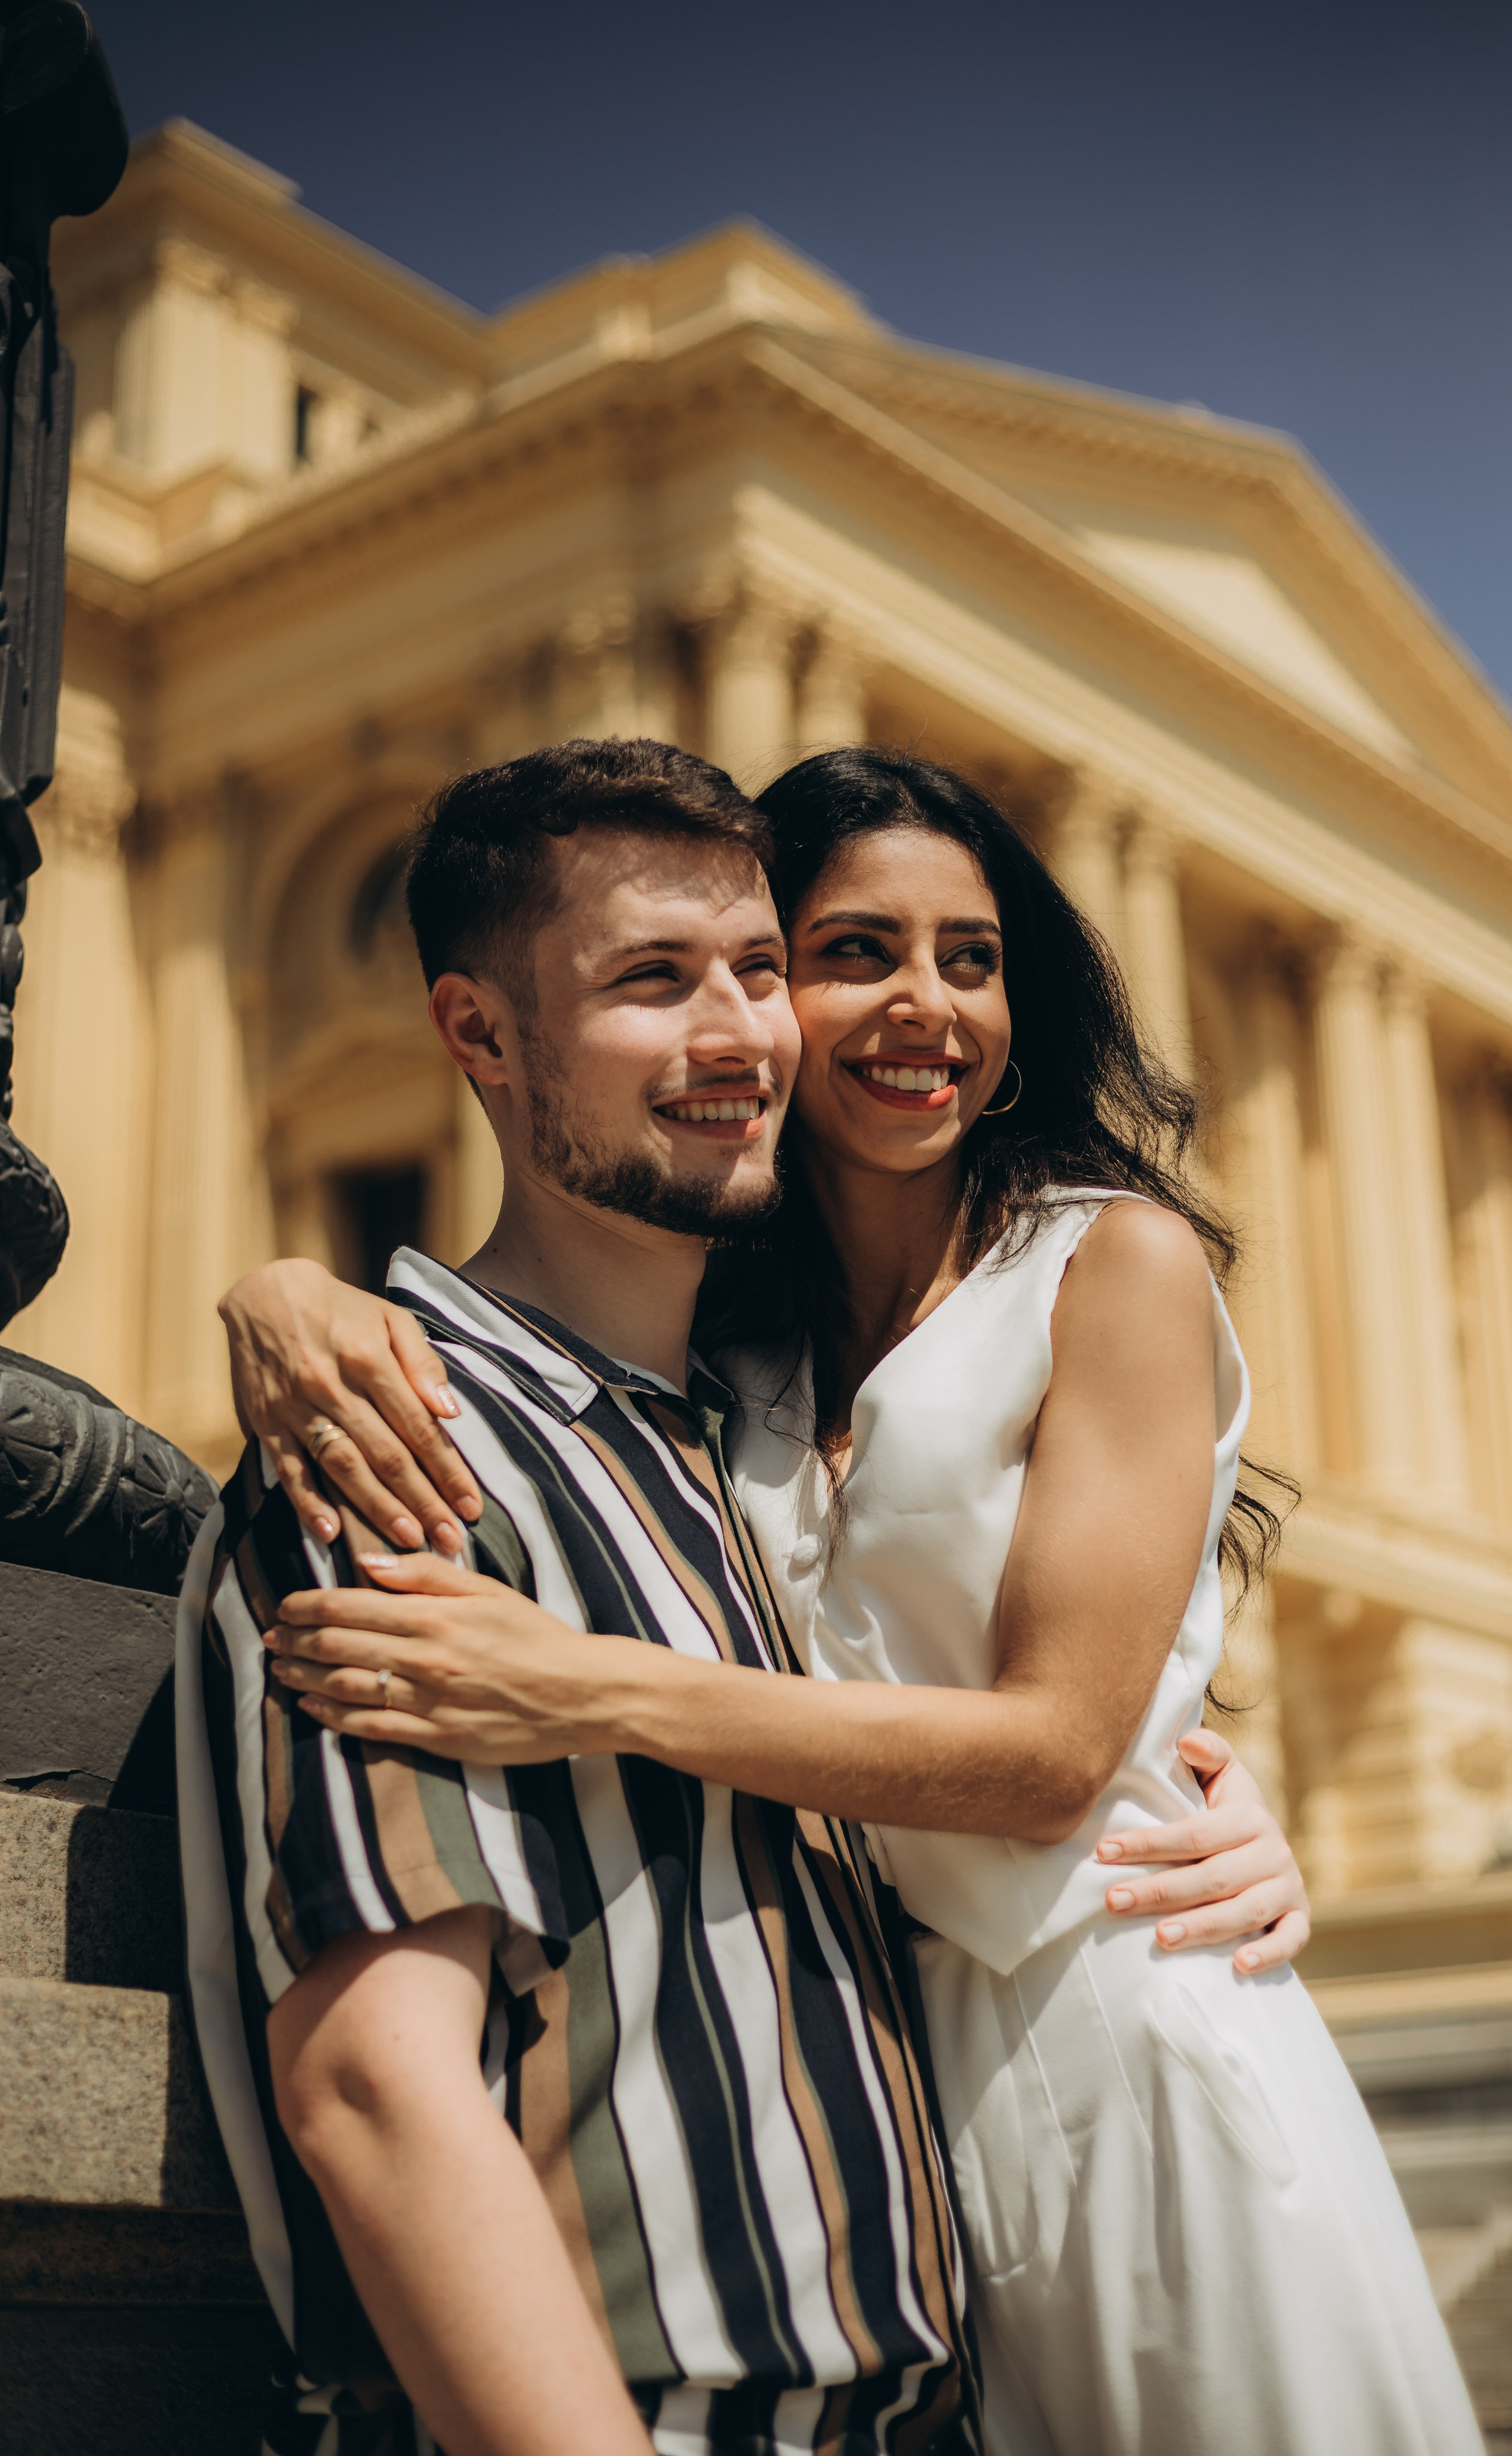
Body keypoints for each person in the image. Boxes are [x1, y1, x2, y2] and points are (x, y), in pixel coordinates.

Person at [213, 743, 1475, 2456]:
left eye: (973, 957)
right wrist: (288, 1291)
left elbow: (1054, 1753)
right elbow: (373, 2079)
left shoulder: (1107, 1262)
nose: (923, 1009)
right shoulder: (708, 1372)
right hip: (913, 2154)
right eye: (851, 953)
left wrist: (585, 1684)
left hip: (1117, 2060)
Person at [178, 741, 987, 2456]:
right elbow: (379, 2087)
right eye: (651, 982)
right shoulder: (397, 1442)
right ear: (476, 1034)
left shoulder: (758, 1456)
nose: (739, 1038)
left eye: (759, 971)